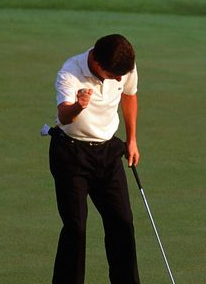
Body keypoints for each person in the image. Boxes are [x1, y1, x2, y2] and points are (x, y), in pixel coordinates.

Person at [47, 34, 141, 284]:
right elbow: (64, 117)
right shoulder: (70, 72)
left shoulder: (124, 66)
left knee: (122, 222)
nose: (120, 79)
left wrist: (131, 139)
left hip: (108, 152)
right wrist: (78, 106)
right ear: (98, 64)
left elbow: (129, 95)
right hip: (71, 154)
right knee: (75, 228)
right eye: (114, 75)